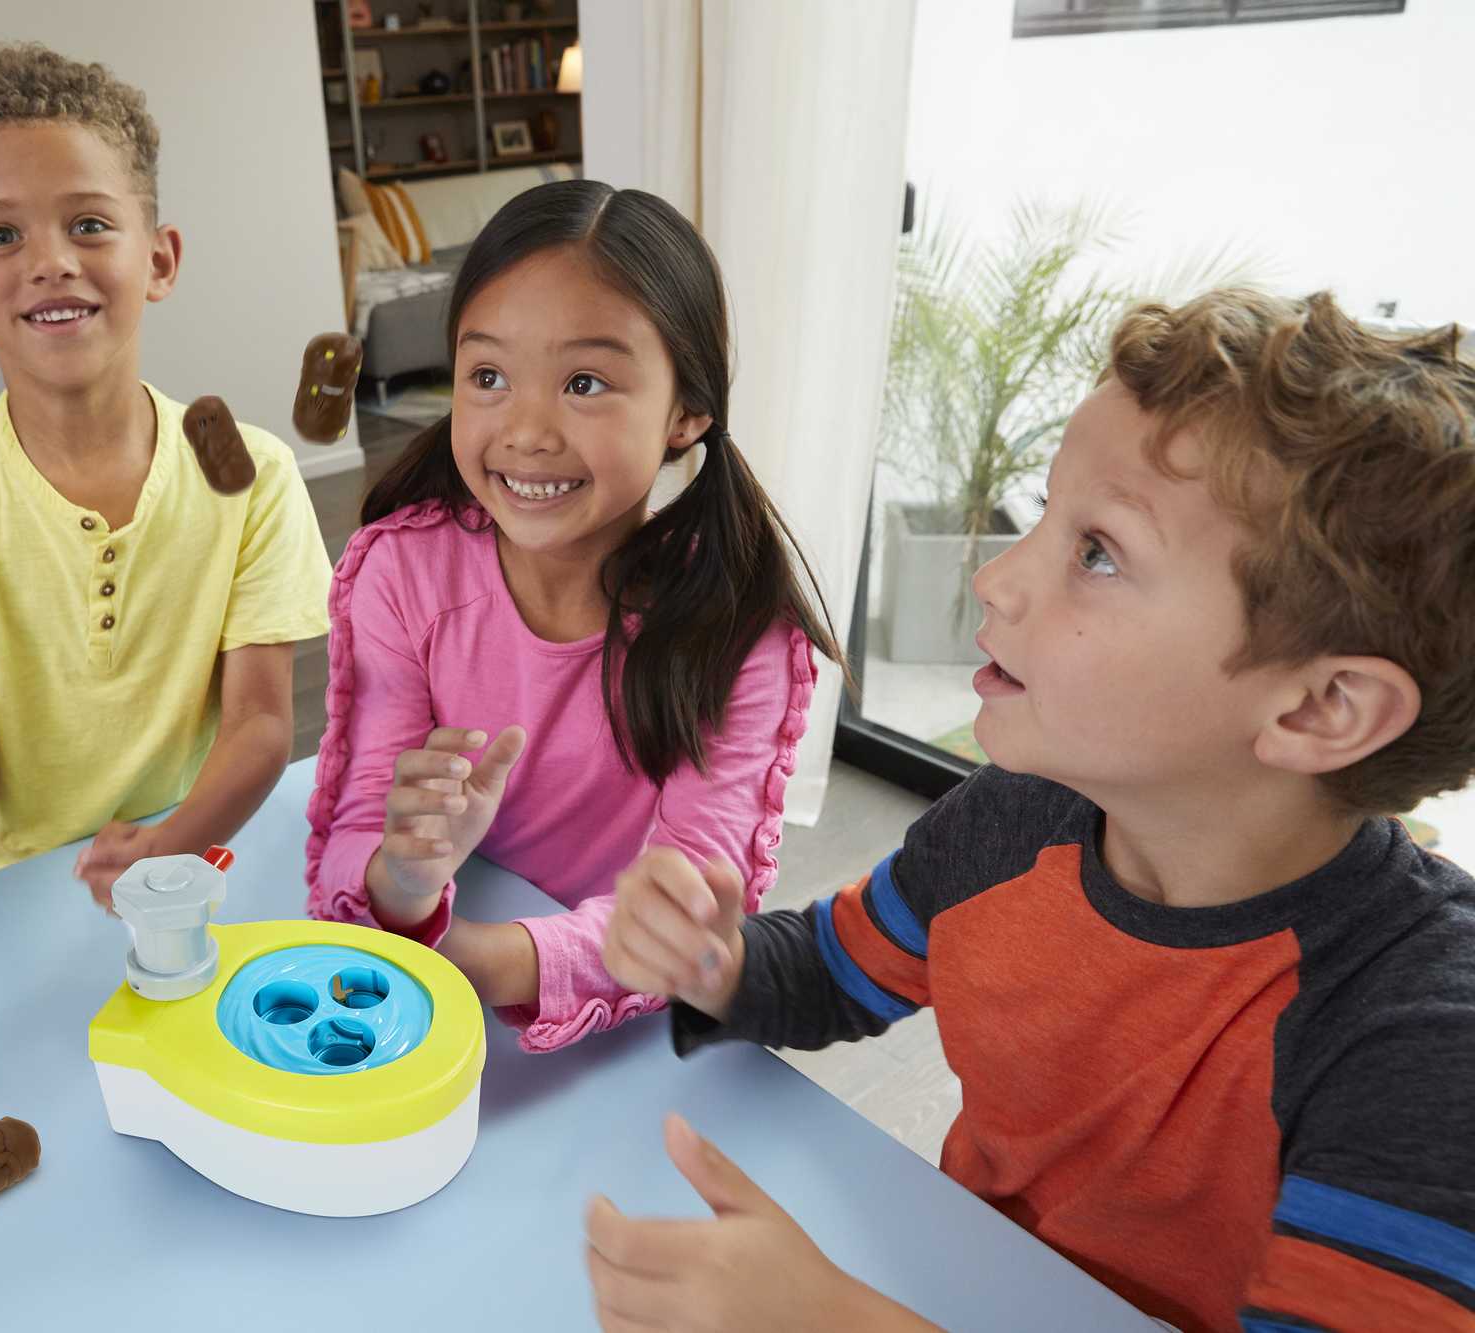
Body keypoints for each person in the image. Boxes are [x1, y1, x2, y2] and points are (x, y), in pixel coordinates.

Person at [596, 290, 1475, 1331]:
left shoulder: (1423, 1043)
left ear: (1321, 708)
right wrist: (718, 964)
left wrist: (831, 1319)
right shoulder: (1011, 823)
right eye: (1043, 514)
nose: (996, 578)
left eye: (1096, 551)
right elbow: (832, 969)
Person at [0, 43, 331, 1035]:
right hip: (22, 891)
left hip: (212, 849)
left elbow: (260, 722)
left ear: (158, 258)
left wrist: (177, 845)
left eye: (88, 223)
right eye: (1, 234)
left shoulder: (251, 474)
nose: (50, 260)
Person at [305, 180, 844, 1052]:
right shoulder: (402, 574)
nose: (525, 430)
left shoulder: (738, 632)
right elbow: (359, 829)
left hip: (625, 1035)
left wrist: (465, 954)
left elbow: (680, 914)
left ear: (686, 413)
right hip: (427, 995)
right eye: (488, 376)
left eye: (584, 383)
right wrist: (404, 877)